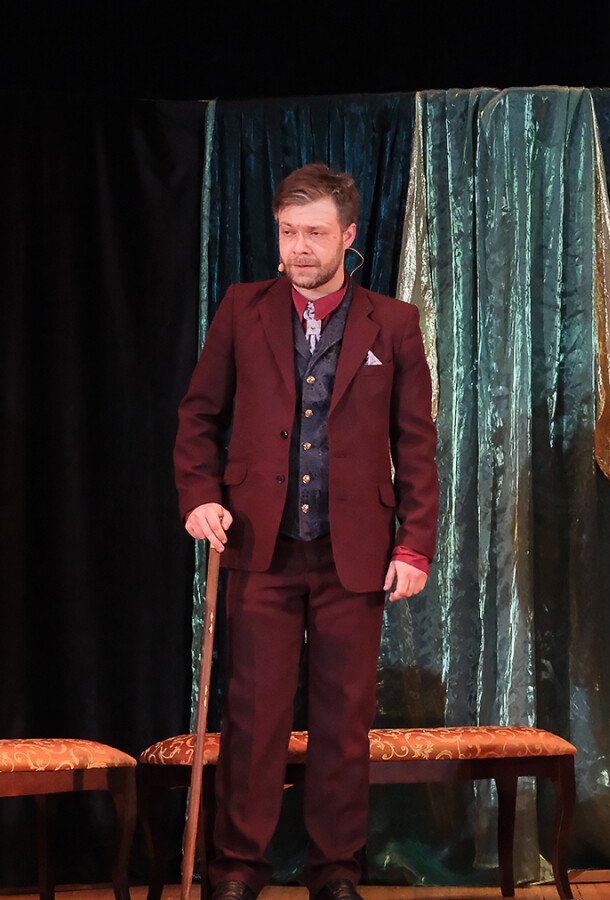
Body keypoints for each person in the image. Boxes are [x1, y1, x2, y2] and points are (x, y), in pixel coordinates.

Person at [173, 163, 439, 900]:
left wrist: (415, 543)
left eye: (315, 234)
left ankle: (336, 871)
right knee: (253, 717)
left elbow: (417, 443)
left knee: (342, 721)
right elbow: (199, 416)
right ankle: (238, 869)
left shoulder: (394, 323)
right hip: (260, 547)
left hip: (354, 554)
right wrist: (200, 496)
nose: (299, 248)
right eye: (289, 232)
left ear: (348, 236)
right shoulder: (242, 308)